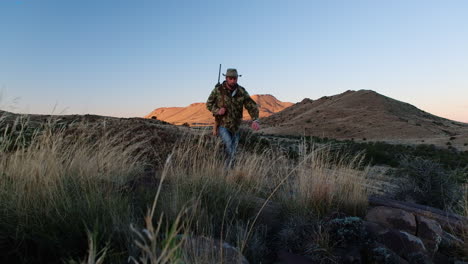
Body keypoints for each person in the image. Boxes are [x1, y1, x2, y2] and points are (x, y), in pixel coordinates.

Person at [206, 68, 260, 167]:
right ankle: (227, 171)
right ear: (226, 78)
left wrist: (255, 120)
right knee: (229, 145)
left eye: (235, 78)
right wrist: (217, 111)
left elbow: (251, 105)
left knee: (234, 150)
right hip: (223, 125)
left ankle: (229, 170)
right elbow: (209, 104)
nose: (233, 80)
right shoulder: (218, 90)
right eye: (230, 78)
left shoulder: (241, 91)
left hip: (236, 126)